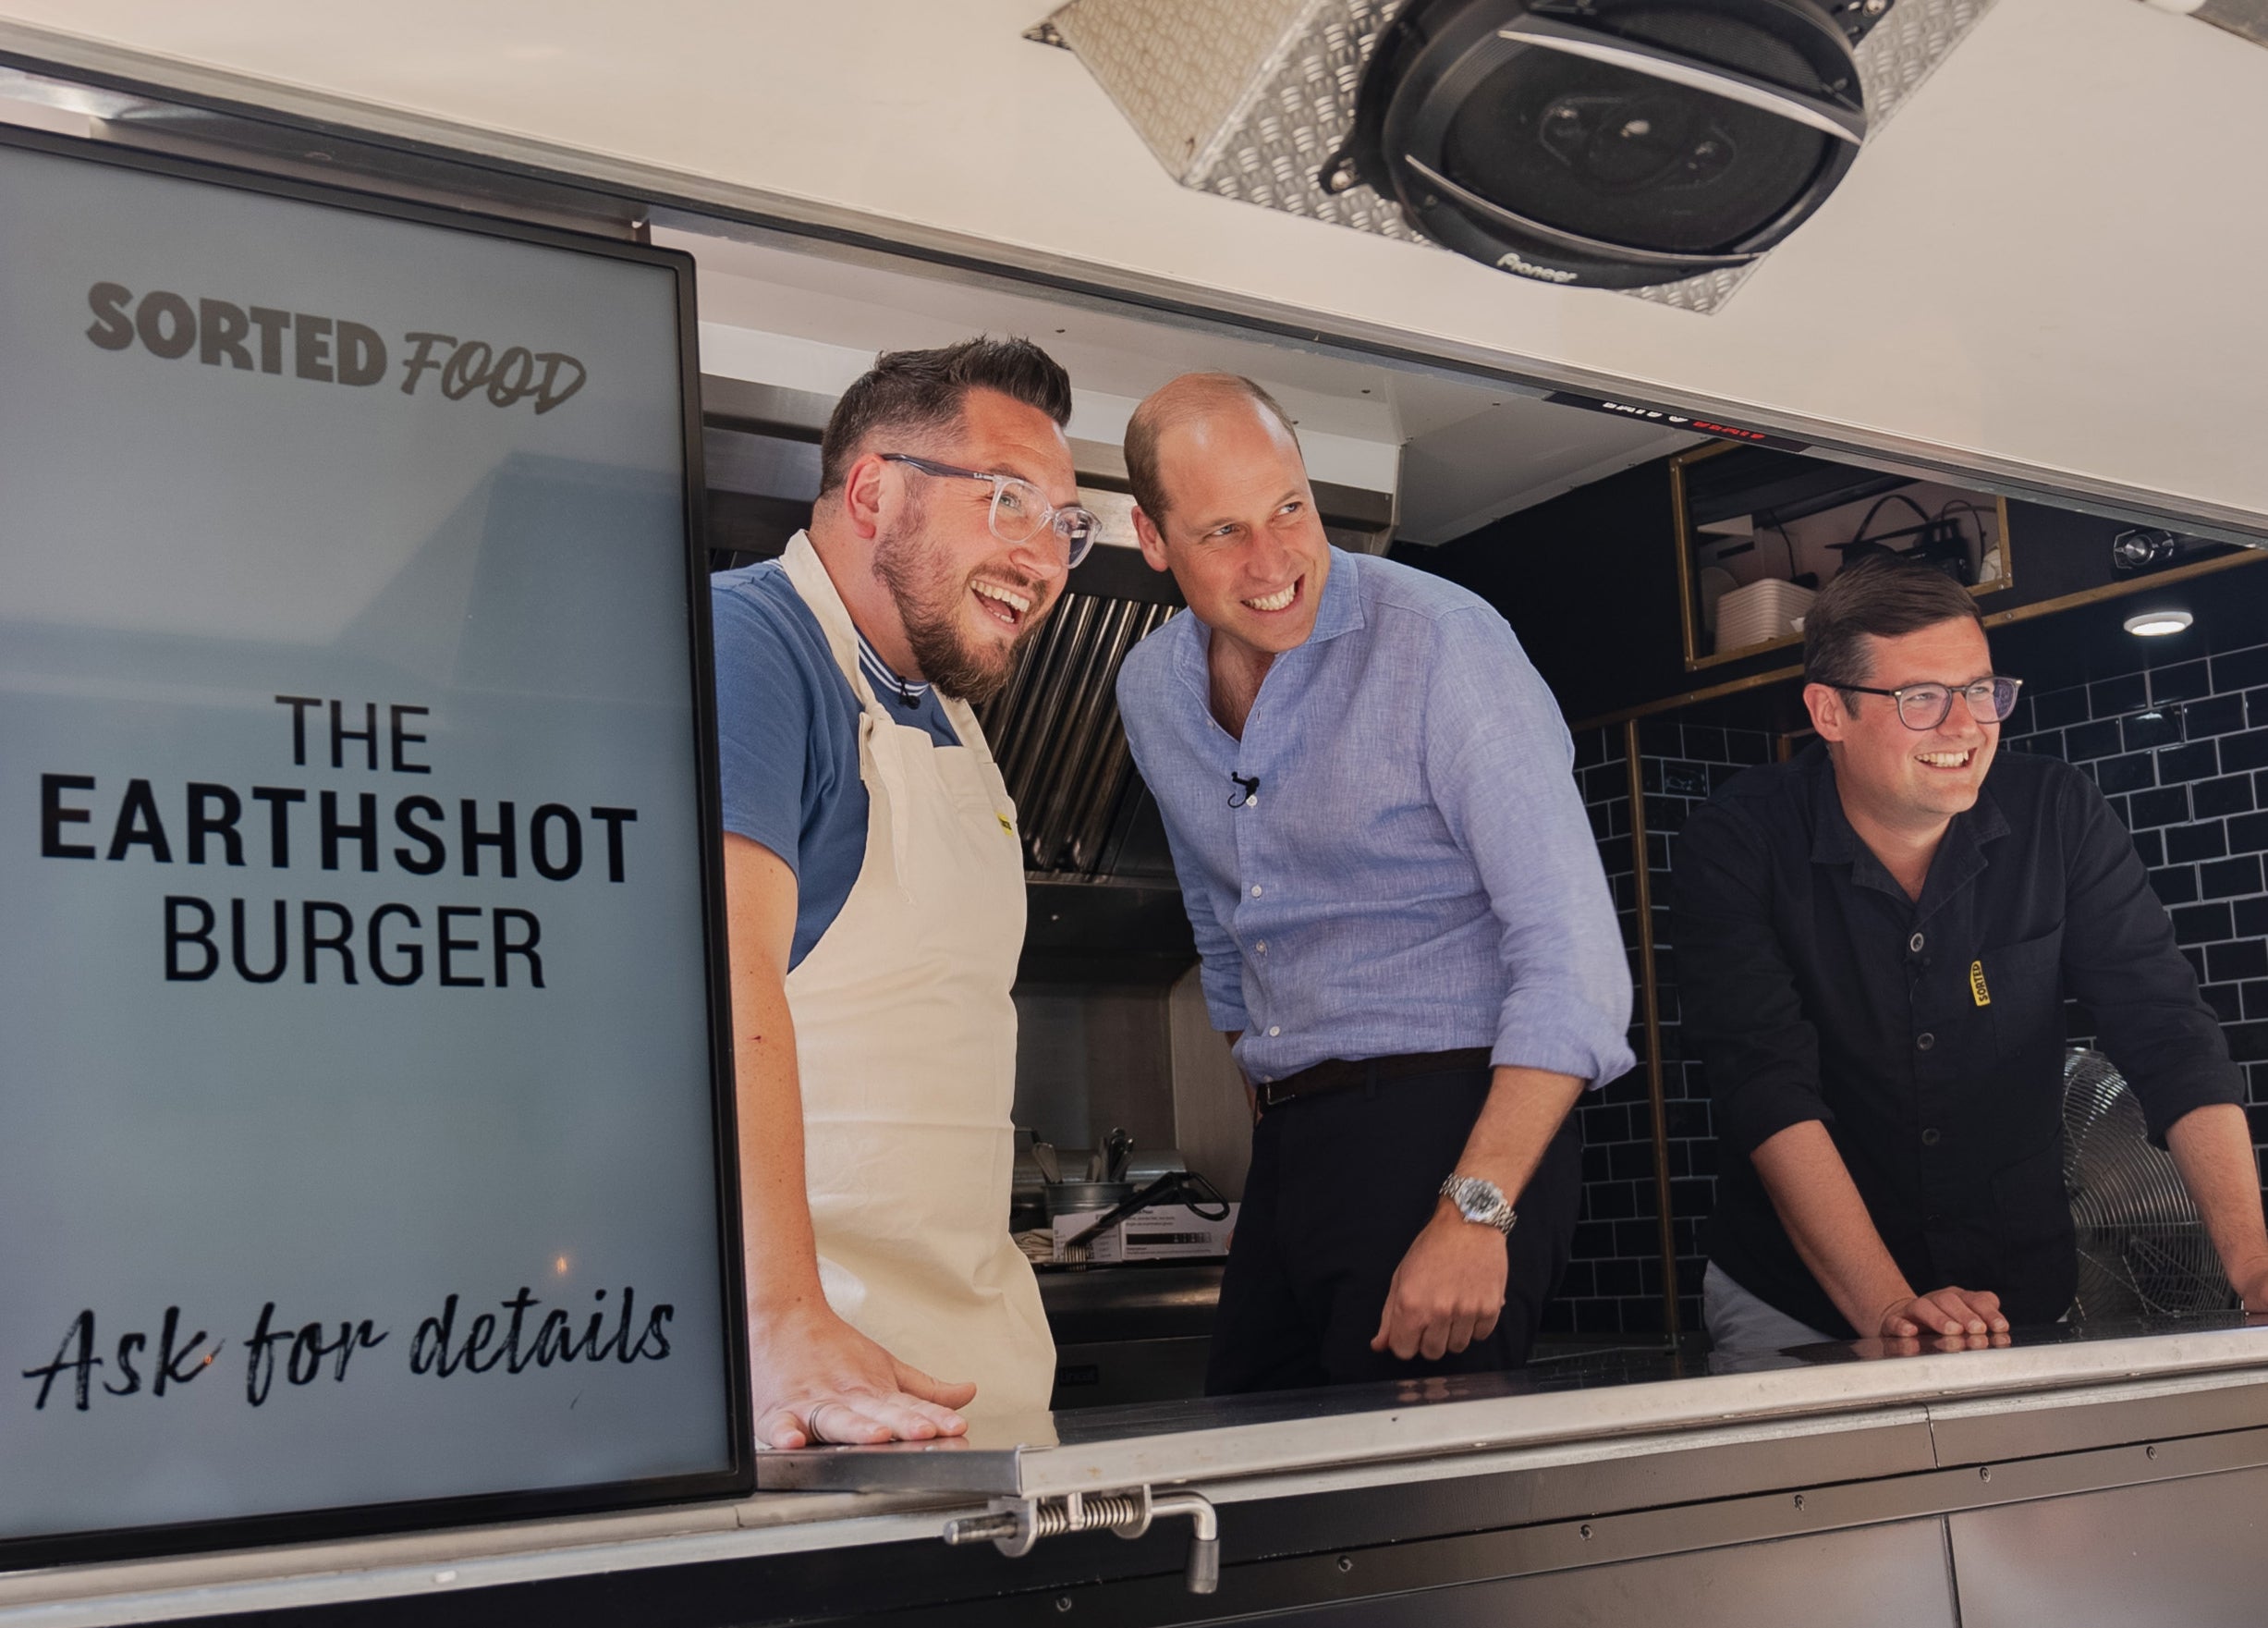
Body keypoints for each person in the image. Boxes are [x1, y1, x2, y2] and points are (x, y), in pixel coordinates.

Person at [1112, 373, 1633, 1393]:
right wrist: (1274, 1117)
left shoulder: (1444, 641)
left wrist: (1473, 1211)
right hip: (1296, 1141)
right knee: (1258, 1481)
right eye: (1223, 532)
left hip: (1457, 1123)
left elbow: (1578, 964)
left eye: (1289, 509)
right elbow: (1226, 931)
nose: (1273, 564)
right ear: (1152, 536)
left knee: (1408, 1524)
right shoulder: (1150, 688)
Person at [1673, 558, 2268, 1359]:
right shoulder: (1739, 842)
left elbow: (2168, 1032)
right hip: (1796, 1301)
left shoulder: (2057, 814)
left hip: (2018, 1292)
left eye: (1982, 690)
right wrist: (1889, 1307)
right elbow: (1766, 1087)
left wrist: (2258, 1268)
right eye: (1921, 698)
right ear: (1829, 712)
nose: (1966, 726)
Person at [713, 337, 1099, 1447]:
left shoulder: (950, 717)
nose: (1045, 557)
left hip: (981, 1384)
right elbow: (713, 981)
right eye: (1010, 500)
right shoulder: (754, 645)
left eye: (1065, 526)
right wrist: (779, 1317)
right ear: (876, 490)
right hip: (822, 1399)